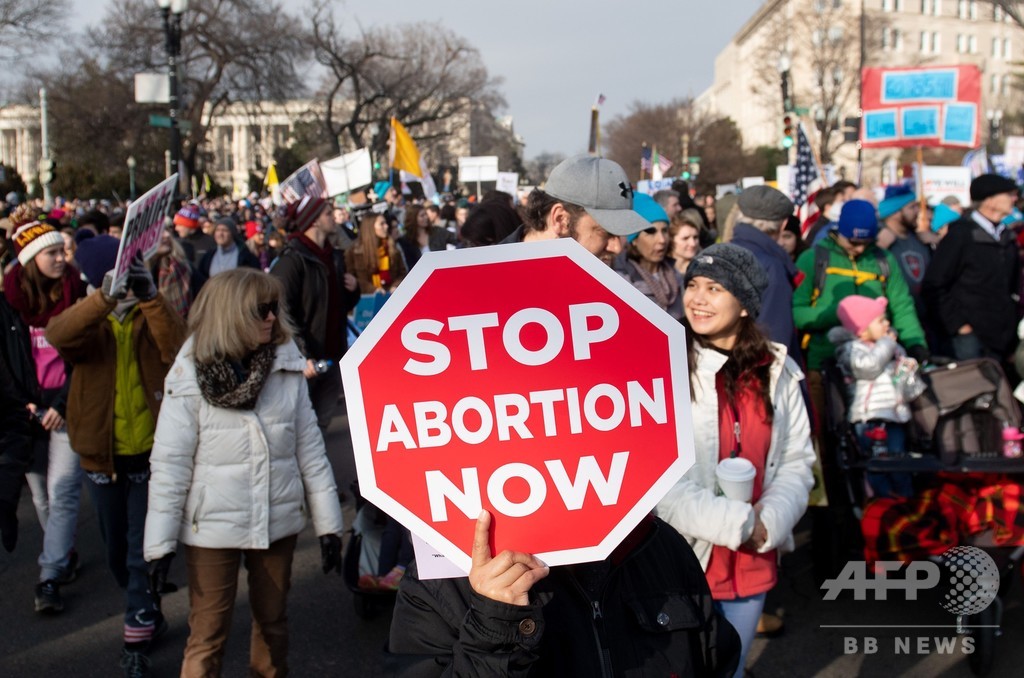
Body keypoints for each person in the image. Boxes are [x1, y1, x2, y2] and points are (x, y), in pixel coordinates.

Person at [144, 268, 345, 677]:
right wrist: (158, 547)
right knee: (207, 633)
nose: (272, 317)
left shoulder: (286, 366)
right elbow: (169, 467)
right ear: (230, 315)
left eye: (275, 308)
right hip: (210, 527)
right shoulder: (187, 377)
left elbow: (311, 453)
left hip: (278, 519)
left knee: (272, 625)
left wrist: (329, 527)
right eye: (261, 309)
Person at [656, 243, 816, 677]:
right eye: (692, 285)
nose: (697, 299)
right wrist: (735, 523)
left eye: (714, 288)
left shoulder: (776, 369)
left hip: (752, 559)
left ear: (744, 304)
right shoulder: (663, 364)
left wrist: (769, 521)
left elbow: (798, 459)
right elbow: (651, 476)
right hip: (682, 560)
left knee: (732, 667)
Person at [46, 244, 186, 677]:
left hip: (149, 449)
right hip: (100, 454)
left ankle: (136, 629)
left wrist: (150, 297)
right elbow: (59, 336)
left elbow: (179, 348)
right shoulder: (86, 316)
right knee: (115, 548)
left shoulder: (150, 312)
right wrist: (103, 298)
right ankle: (144, 603)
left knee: (137, 550)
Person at [1, 208, 87, 613]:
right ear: (30, 260)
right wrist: (28, 405)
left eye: (61, 250)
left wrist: (62, 404)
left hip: (66, 409)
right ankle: (64, 553)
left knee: (63, 490)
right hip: (28, 413)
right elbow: (5, 363)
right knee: (41, 495)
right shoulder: (9, 305)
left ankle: (49, 577)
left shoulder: (78, 293)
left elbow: (88, 357)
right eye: (50, 252)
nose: (60, 258)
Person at [271, 195, 360, 436]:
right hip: (306, 361)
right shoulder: (292, 261)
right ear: (313, 221)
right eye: (328, 214)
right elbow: (282, 311)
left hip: (332, 355)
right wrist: (302, 354)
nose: (334, 217)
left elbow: (338, 305)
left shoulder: (334, 256)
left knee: (320, 425)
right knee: (297, 429)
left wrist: (353, 290)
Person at [828, 296, 922, 499]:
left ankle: (906, 505)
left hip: (895, 416)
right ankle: (882, 504)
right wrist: (888, 344)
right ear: (862, 329)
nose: (887, 324)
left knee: (899, 464)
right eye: (880, 321)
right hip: (870, 418)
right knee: (876, 466)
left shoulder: (888, 346)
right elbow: (868, 367)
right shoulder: (851, 349)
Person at [922, 174, 1021, 362]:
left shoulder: (1006, 237)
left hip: (1001, 337)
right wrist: (959, 325)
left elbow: (1012, 287)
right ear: (990, 200)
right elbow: (934, 284)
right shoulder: (961, 234)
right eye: (1009, 194)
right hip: (969, 340)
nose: (1014, 199)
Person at [501, 155, 648, 258]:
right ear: (561, 220)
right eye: (606, 233)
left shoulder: (607, 280)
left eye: (619, 235)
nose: (617, 248)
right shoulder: (486, 277)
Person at [728, 186, 802, 363]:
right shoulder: (771, 266)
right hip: (758, 373)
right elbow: (774, 340)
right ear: (783, 224)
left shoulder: (720, 254)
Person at [612, 193, 683, 320]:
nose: (662, 240)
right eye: (651, 232)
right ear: (634, 239)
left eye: (665, 231)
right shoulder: (620, 280)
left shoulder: (676, 275)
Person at [344, 211, 408, 294]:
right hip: (368, 301)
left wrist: (395, 286)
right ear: (371, 228)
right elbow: (352, 279)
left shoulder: (392, 247)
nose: (386, 226)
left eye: (385, 223)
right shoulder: (353, 252)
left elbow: (402, 273)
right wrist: (373, 290)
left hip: (392, 296)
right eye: (382, 224)